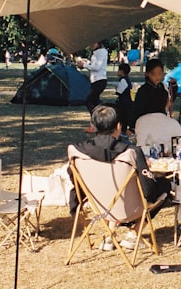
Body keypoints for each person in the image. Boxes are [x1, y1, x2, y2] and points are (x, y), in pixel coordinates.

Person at [69, 105, 170, 250]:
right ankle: (134, 233)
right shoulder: (130, 152)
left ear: (93, 126)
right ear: (118, 126)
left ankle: (109, 234)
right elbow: (148, 189)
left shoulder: (78, 152)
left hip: (98, 205)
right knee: (164, 186)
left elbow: (76, 181)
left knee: (110, 188)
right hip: (130, 208)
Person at [131, 58, 170, 129]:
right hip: (145, 125)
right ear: (147, 74)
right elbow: (137, 110)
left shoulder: (163, 88)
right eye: (154, 74)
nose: (157, 77)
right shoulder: (143, 91)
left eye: (160, 73)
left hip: (161, 124)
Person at [82, 40, 109, 118]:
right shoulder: (95, 53)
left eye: (94, 42)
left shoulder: (102, 51)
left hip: (100, 80)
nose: (92, 44)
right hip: (94, 80)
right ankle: (100, 117)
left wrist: (85, 65)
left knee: (89, 101)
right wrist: (86, 64)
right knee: (95, 101)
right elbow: (93, 66)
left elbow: (97, 67)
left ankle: (96, 119)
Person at [114, 63, 133, 134]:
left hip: (123, 103)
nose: (117, 72)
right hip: (127, 102)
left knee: (122, 119)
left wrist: (116, 89)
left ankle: (122, 132)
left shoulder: (123, 80)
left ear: (122, 71)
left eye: (118, 70)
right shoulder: (127, 79)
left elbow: (119, 92)